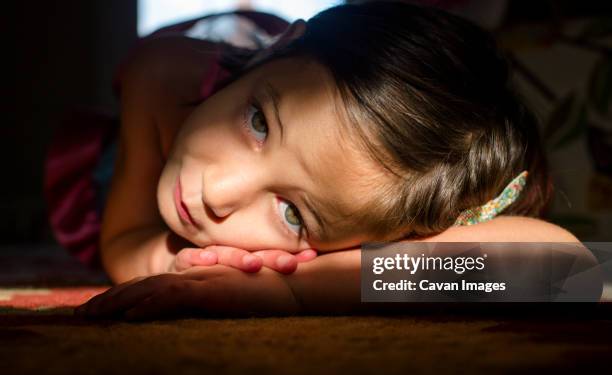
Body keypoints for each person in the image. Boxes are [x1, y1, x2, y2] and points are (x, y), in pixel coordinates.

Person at [71, 2, 581, 318]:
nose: (219, 193)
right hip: (102, 178)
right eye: (259, 123)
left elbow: (565, 268)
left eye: (294, 214)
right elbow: (123, 240)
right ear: (284, 47)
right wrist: (179, 264)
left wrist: (299, 289)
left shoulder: (362, 205)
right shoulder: (164, 73)